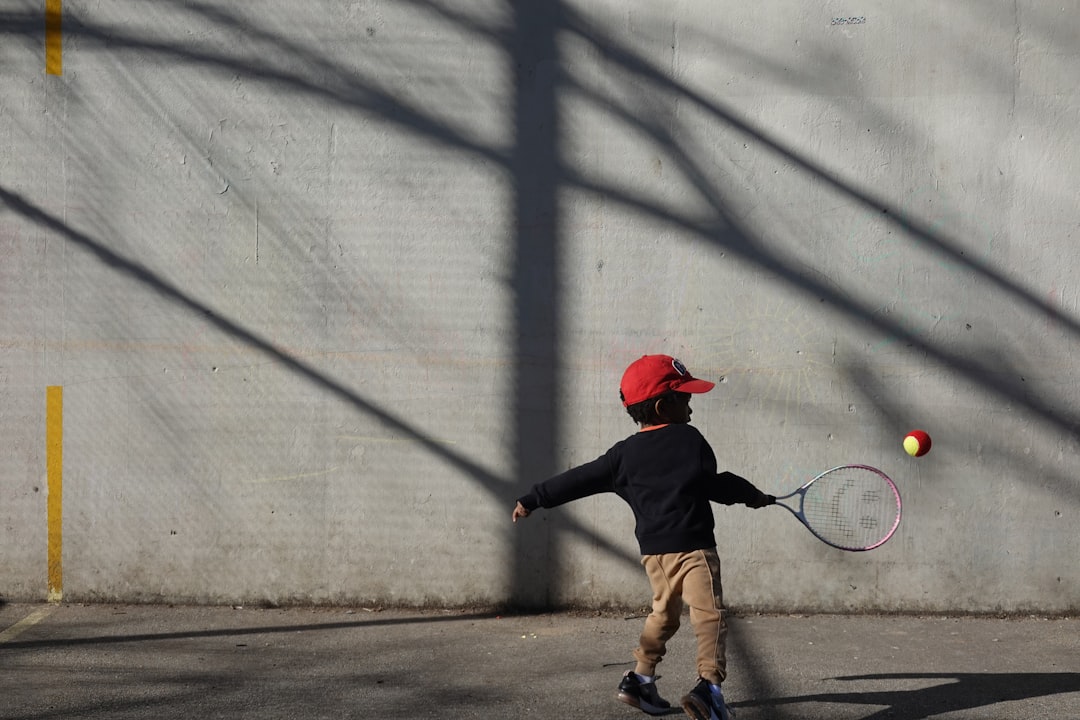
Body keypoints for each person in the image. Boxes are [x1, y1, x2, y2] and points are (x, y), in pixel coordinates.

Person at [512, 354, 774, 720]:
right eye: (684, 397)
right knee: (709, 616)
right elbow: (715, 484)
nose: (691, 404)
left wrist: (533, 498)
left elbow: (579, 479)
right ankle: (710, 688)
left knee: (663, 615)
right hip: (694, 550)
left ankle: (640, 678)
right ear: (663, 405)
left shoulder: (623, 455)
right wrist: (753, 495)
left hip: (654, 556)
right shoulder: (689, 439)